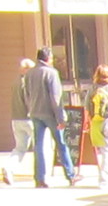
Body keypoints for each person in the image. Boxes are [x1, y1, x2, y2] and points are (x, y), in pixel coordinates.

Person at [21, 49, 75, 187]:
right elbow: (55, 97)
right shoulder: (51, 73)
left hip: (35, 112)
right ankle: (70, 175)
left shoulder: (29, 74)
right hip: (50, 114)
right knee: (61, 144)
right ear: (48, 58)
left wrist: (30, 108)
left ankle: (39, 178)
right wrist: (61, 117)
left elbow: (26, 94)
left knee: (38, 146)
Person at [8, 58, 35, 158]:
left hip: (16, 119)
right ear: (26, 69)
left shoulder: (15, 82)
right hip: (28, 119)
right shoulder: (27, 83)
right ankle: (41, 171)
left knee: (20, 148)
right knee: (41, 146)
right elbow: (28, 100)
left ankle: (9, 167)